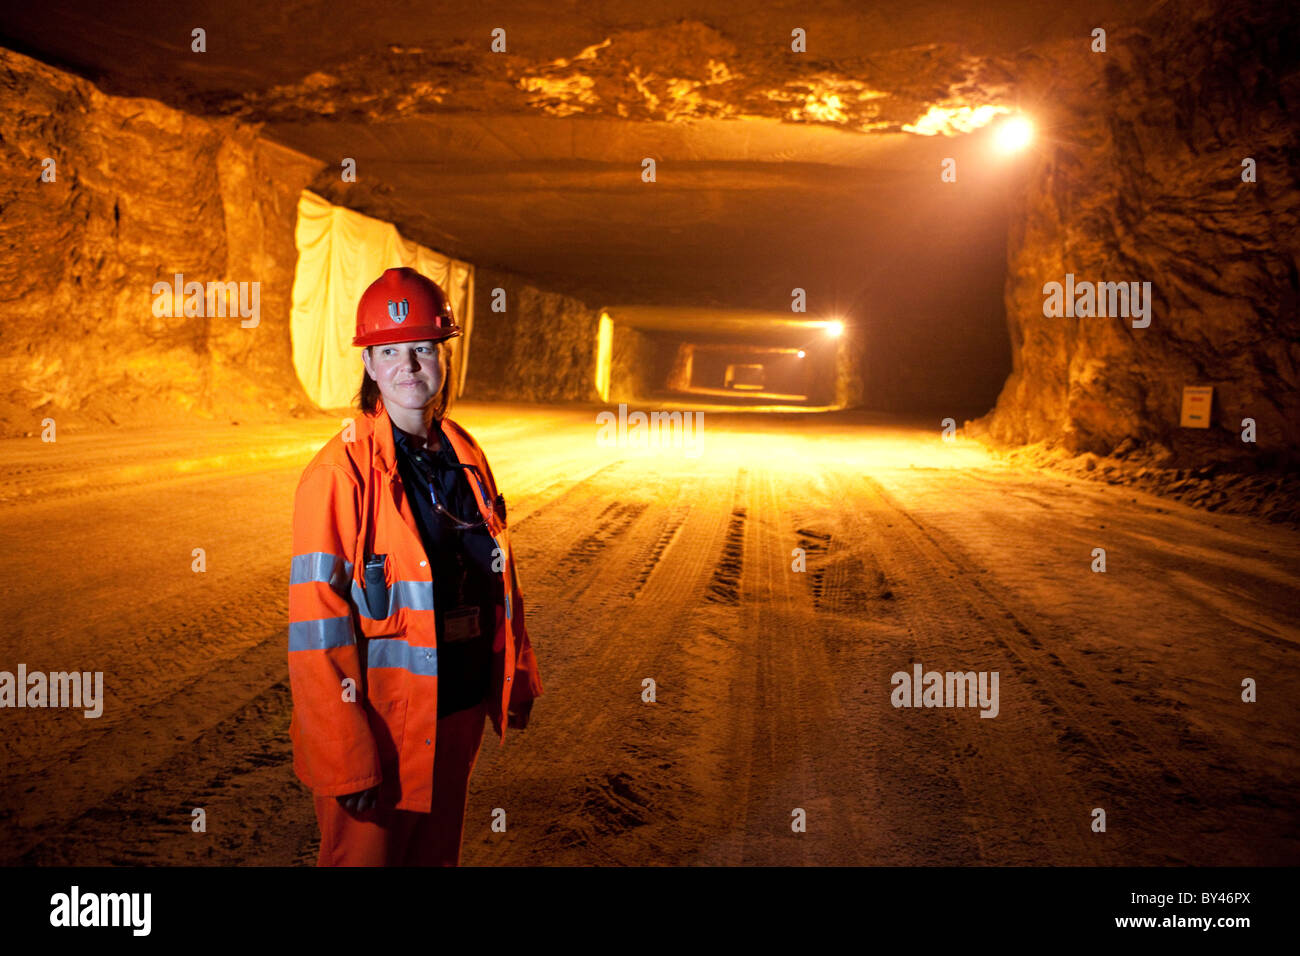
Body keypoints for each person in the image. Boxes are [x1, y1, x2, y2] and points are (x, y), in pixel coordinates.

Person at [287, 266, 543, 866]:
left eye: (423, 348)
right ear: (370, 366)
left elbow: (499, 573)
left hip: (452, 713)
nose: (409, 365)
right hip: (379, 728)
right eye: (390, 351)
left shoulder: (464, 451)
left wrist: (517, 671)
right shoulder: (339, 472)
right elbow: (315, 628)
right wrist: (347, 755)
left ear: (444, 357)